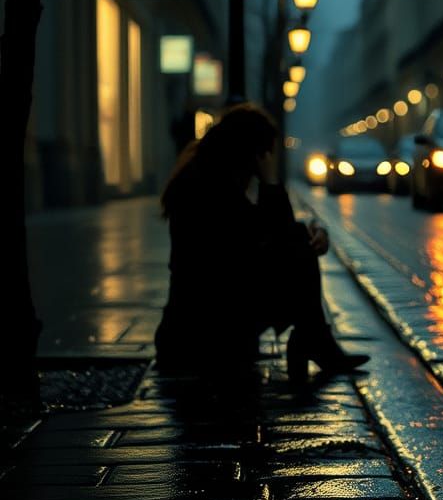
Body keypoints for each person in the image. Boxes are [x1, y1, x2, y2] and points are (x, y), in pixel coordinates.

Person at [154, 103, 368, 381]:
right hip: (199, 335)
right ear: (250, 153)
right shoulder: (207, 188)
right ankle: (313, 340)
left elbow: (265, 232)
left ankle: (313, 339)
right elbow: (273, 234)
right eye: (265, 154)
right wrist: (270, 182)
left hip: (207, 320)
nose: (266, 161)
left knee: (298, 238)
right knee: (296, 240)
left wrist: (316, 228)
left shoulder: (208, 176)